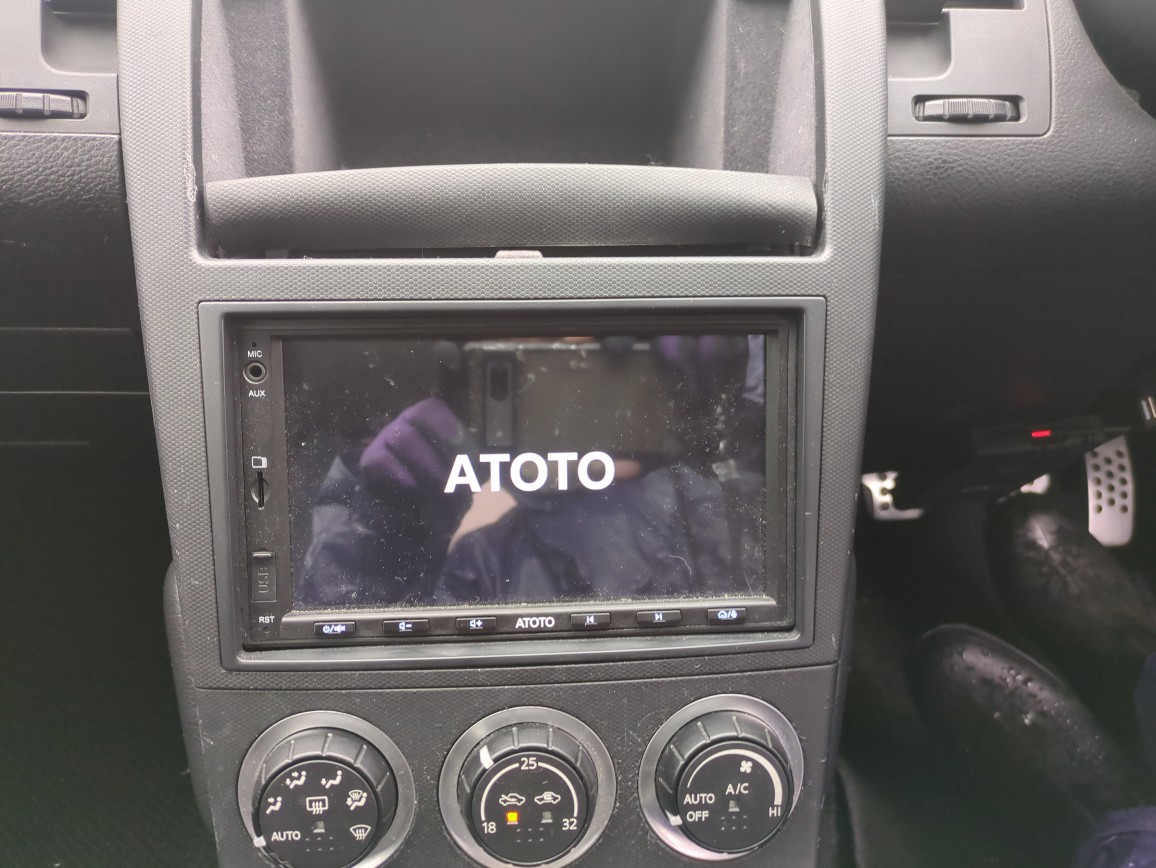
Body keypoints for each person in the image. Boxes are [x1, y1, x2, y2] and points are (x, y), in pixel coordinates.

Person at [297, 335, 768, 608]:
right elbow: (357, 659)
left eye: (591, 365)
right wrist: (383, 533)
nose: (570, 403)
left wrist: (741, 418)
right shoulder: (485, 554)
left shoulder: (711, 486)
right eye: (543, 366)